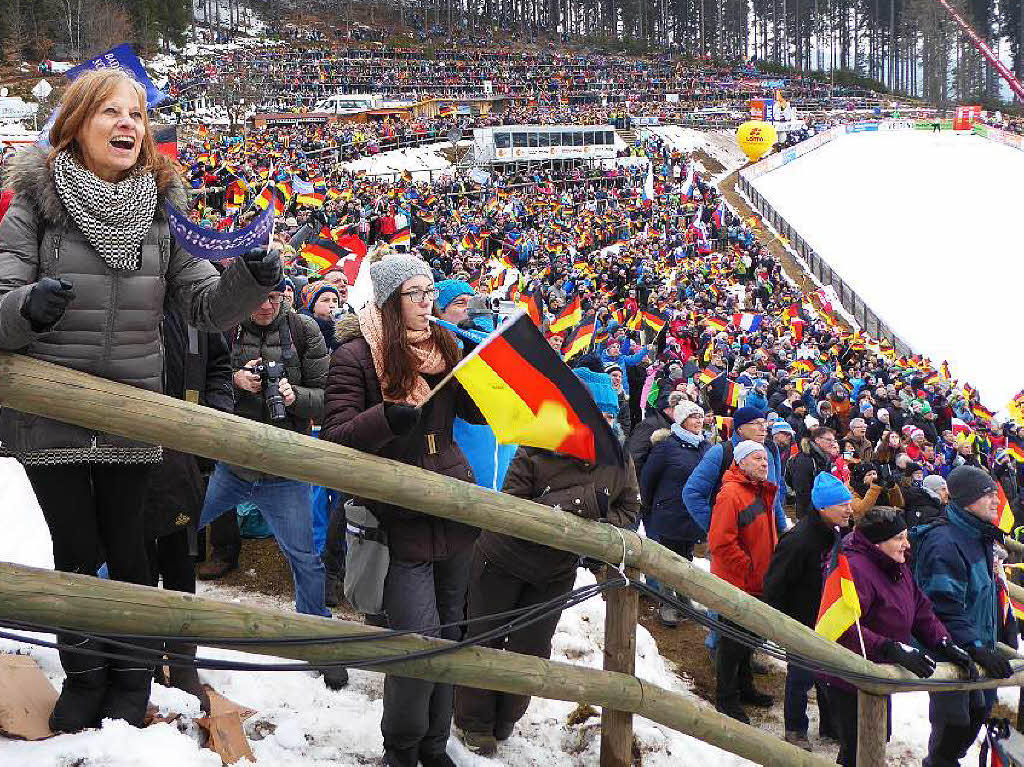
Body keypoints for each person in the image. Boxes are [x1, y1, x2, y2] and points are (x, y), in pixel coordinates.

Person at [0, 69, 279, 732]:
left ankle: (129, 681)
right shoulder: (31, 205)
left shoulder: (163, 208)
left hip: (133, 409)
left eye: (136, 114)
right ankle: (85, 679)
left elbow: (207, 305)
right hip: (51, 410)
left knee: (130, 550)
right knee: (75, 547)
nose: (129, 124)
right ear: (76, 123)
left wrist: (249, 278)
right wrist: (26, 308)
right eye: (111, 112)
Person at [319, 254, 484, 767]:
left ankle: (434, 747)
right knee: (417, 642)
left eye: (431, 291)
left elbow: (474, 415)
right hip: (395, 514)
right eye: (415, 293)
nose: (427, 302)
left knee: (452, 635)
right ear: (390, 302)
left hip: (453, 505)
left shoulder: (447, 345)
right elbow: (337, 435)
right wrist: (386, 418)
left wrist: (480, 372)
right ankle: (401, 750)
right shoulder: (356, 355)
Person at [453, 368, 639, 756]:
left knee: (533, 648)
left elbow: (630, 509)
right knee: (485, 638)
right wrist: (581, 504)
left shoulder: (620, 457)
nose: (604, 423)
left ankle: (505, 718)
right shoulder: (537, 444)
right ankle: (473, 721)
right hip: (502, 559)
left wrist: (598, 524)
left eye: (609, 415)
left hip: (555, 572)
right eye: (596, 414)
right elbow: (514, 506)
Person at [197, 285, 332, 621]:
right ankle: (100, 589)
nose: (267, 305)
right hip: (232, 463)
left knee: (305, 557)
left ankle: (316, 634)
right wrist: (235, 380)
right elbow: (198, 385)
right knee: (170, 522)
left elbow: (327, 396)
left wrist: (294, 395)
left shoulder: (304, 329)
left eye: (275, 297)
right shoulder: (223, 327)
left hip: (284, 470)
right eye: (258, 296)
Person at [823, 507, 975, 767]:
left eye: (906, 536)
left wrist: (944, 642)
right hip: (848, 675)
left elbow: (920, 610)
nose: (907, 544)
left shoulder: (896, 563)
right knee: (858, 745)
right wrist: (889, 648)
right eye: (899, 538)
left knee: (876, 736)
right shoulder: (855, 569)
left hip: (878, 670)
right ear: (877, 543)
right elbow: (843, 628)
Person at [913, 466, 1018, 767]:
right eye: (988, 495)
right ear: (967, 499)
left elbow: (984, 597)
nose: (997, 501)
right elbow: (942, 607)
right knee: (954, 724)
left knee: (979, 712)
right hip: (951, 652)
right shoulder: (944, 542)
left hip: (978, 646)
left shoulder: (978, 535)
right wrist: (974, 645)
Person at [763, 473, 853, 749]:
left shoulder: (836, 532)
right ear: (823, 508)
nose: (850, 509)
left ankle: (830, 725)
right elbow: (775, 584)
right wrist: (782, 624)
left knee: (829, 674)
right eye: (843, 505)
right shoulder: (799, 539)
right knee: (801, 678)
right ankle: (795, 728)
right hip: (801, 620)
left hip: (826, 619)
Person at [708, 440, 779, 723]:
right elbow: (720, 542)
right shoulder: (731, 494)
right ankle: (726, 697)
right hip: (738, 582)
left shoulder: (760, 491)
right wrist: (748, 570)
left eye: (765, 459)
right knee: (732, 642)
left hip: (756, 580)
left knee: (748, 639)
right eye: (757, 458)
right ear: (741, 462)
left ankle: (744, 687)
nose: (764, 463)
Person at [640, 399, 709, 626]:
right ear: (681, 420)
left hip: (693, 514)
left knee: (686, 556)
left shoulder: (705, 446)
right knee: (669, 558)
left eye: (700, 416)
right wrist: (652, 506)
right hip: (670, 511)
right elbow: (648, 479)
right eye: (693, 417)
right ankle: (667, 601)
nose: (699, 421)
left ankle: (683, 596)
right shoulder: (666, 446)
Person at [683, 407, 789, 537]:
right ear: (740, 428)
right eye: (756, 423)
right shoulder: (721, 452)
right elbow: (692, 493)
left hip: (766, 533)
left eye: (764, 423)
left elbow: (774, 491)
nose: (763, 428)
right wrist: (716, 528)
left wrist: (782, 527)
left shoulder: (771, 449)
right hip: (734, 537)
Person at [789, 427, 839, 519]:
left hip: (822, 509)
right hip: (808, 514)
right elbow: (802, 492)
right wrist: (815, 512)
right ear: (817, 440)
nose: (832, 443)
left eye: (834, 440)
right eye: (828, 440)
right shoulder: (805, 460)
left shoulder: (825, 458)